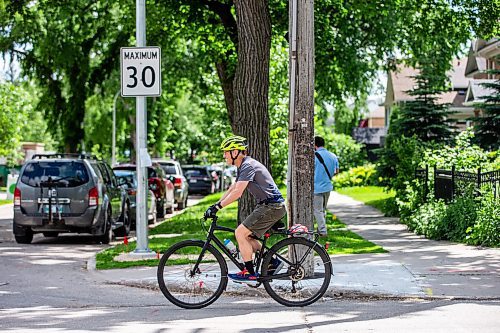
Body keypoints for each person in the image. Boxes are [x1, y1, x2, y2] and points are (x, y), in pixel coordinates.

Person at [204, 135, 286, 284]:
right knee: (246, 237)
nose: (224, 155)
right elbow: (233, 188)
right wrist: (215, 205)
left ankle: (250, 274)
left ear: (235, 152)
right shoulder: (244, 166)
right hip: (267, 205)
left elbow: (238, 193)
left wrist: (218, 207)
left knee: (240, 233)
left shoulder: (248, 165)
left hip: (272, 206)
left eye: (226, 152)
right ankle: (273, 261)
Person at [313, 136, 339, 237]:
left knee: (317, 210)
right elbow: (336, 171)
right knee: (322, 209)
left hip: (316, 187)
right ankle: (320, 229)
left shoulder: (314, 156)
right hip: (327, 186)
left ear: (315, 145)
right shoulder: (333, 156)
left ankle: (323, 231)